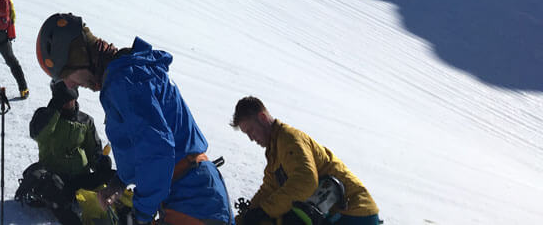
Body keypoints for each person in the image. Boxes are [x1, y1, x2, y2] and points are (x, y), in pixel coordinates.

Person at [36, 14, 234, 225]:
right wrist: (120, 181)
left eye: (66, 73)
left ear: (78, 55)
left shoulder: (125, 81)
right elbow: (143, 142)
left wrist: (140, 215)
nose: (69, 85)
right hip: (194, 191)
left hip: (192, 199)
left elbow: (157, 150)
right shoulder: (129, 71)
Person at [230, 97, 379, 225]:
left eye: (251, 130)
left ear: (262, 117)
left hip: (353, 212)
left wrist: (264, 211)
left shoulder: (289, 139)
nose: (251, 138)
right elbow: (269, 189)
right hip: (338, 213)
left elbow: (305, 181)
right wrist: (244, 218)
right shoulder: (274, 151)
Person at [21, 79, 131, 225]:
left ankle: (130, 213)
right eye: (63, 99)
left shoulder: (85, 121)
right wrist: (55, 108)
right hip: (55, 179)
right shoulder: (44, 116)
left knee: (114, 178)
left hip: (80, 178)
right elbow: (38, 133)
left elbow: (94, 151)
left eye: (70, 99)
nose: (67, 103)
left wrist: (100, 162)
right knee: (54, 191)